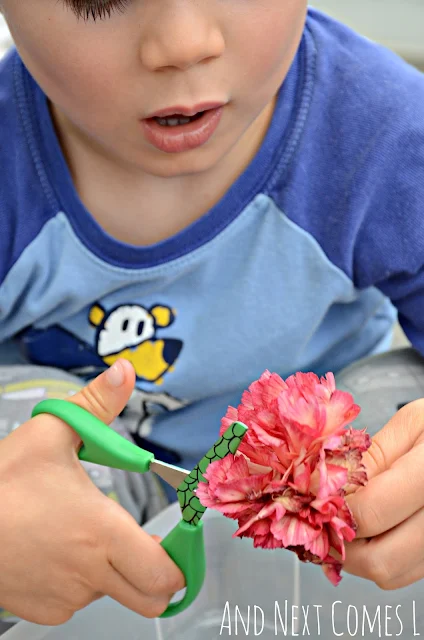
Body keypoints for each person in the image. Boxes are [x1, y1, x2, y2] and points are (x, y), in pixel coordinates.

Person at [0, 0, 423, 627]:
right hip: (82, 473)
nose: (183, 43)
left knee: (400, 402)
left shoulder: (385, 134)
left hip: (319, 467)